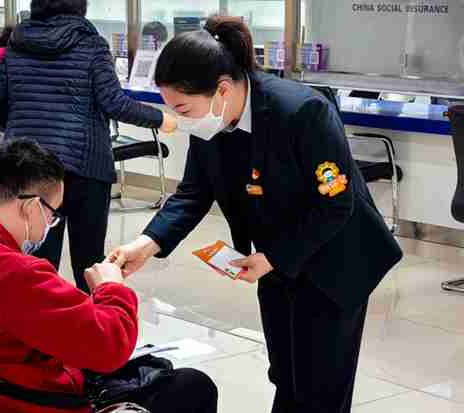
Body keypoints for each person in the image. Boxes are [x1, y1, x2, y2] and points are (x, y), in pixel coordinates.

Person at [109, 16, 403, 413]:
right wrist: (146, 244)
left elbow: (335, 204)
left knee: (321, 387)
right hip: (276, 263)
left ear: (222, 90)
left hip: (336, 261)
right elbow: (194, 193)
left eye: (182, 107)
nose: (179, 118)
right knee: (286, 373)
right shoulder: (211, 126)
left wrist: (274, 257)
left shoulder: (301, 113)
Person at [0, 140, 217, 413]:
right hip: (27, 401)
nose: (50, 224)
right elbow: (109, 347)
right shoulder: (12, 272)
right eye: (52, 214)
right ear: (32, 207)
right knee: (191, 387)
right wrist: (111, 289)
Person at [0, 0, 178, 293]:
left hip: (29, 169)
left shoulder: (17, 45)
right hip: (84, 166)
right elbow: (114, 102)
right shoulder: (91, 45)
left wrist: (20, 126)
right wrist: (160, 119)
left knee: (35, 263)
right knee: (88, 262)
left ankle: (35, 331)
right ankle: (88, 327)